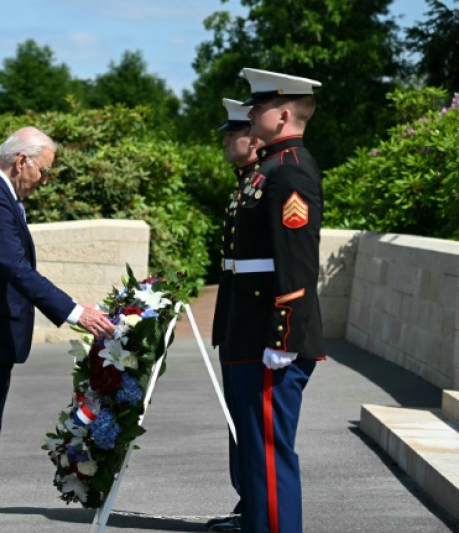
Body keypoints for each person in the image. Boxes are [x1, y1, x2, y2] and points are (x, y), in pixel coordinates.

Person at [0, 126, 116, 533]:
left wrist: (77, 306)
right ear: (22, 161)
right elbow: (16, 269)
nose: (45, 181)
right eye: (45, 172)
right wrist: (74, 312)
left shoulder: (0, 198)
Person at [219, 68, 327, 533]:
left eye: (260, 106)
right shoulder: (269, 170)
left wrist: (282, 338)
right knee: (255, 453)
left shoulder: (290, 171)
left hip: (270, 334)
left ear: (283, 115)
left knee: (268, 453)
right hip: (249, 329)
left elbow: (297, 265)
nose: (252, 112)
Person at [208, 97, 266, 533]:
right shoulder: (245, 182)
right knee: (237, 425)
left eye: (234, 132)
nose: (228, 139)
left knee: (250, 426)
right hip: (236, 324)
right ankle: (247, 507)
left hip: (253, 326)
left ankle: (255, 512)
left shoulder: (264, 182)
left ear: (254, 139)